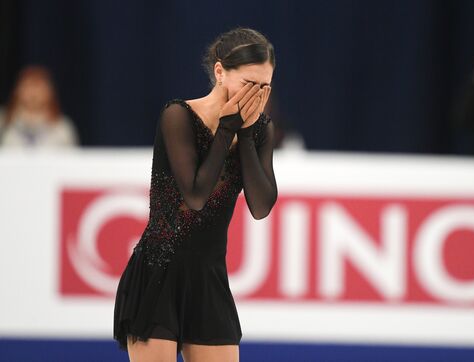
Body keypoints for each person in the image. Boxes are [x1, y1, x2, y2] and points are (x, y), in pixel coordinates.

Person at [113, 27, 277, 362]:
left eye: (265, 86)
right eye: (249, 84)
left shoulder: (259, 129)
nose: (256, 96)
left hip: (209, 280)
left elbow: (261, 206)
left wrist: (244, 134)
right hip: (159, 271)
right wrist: (228, 129)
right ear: (220, 72)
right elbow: (196, 195)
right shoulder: (178, 116)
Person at [0, 65, 79, 148]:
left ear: (49, 92)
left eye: (38, 87)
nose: (33, 93)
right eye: (28, 86)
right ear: (17, 90)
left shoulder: (62, 128)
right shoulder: (3, 122)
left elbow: (71, 158)